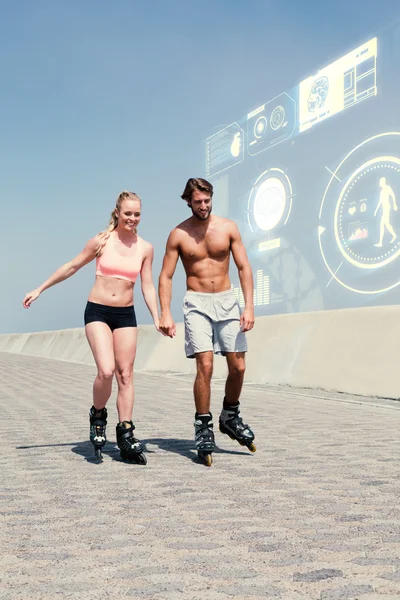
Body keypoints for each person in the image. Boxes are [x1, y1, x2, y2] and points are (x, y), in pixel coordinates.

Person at [23, 191, 163, 464]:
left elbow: (147, 284)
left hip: (125, 314)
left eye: (137, 214)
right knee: (107, 370)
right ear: (117, 212)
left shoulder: (145, 248)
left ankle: (125, 432)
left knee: (126, 375)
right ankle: (98, 415)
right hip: (97, 311)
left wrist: (157, 318)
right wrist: (40, 289)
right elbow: (73, 266)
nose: (132, 219)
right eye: (128, 214)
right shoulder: (102, 241)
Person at [158, 177, 256, 466]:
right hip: (196, 302)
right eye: (197, 201)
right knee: (206, 364)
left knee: (238, 366)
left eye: (207, 201)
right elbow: (165, 275)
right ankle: (203, 427)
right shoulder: (179, 234)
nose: (203, 206)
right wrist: (165, 312)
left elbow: (243, 266)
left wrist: (249, 307)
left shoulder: (228, 228)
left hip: (227, 300)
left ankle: (230, 415)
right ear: (188, 201)